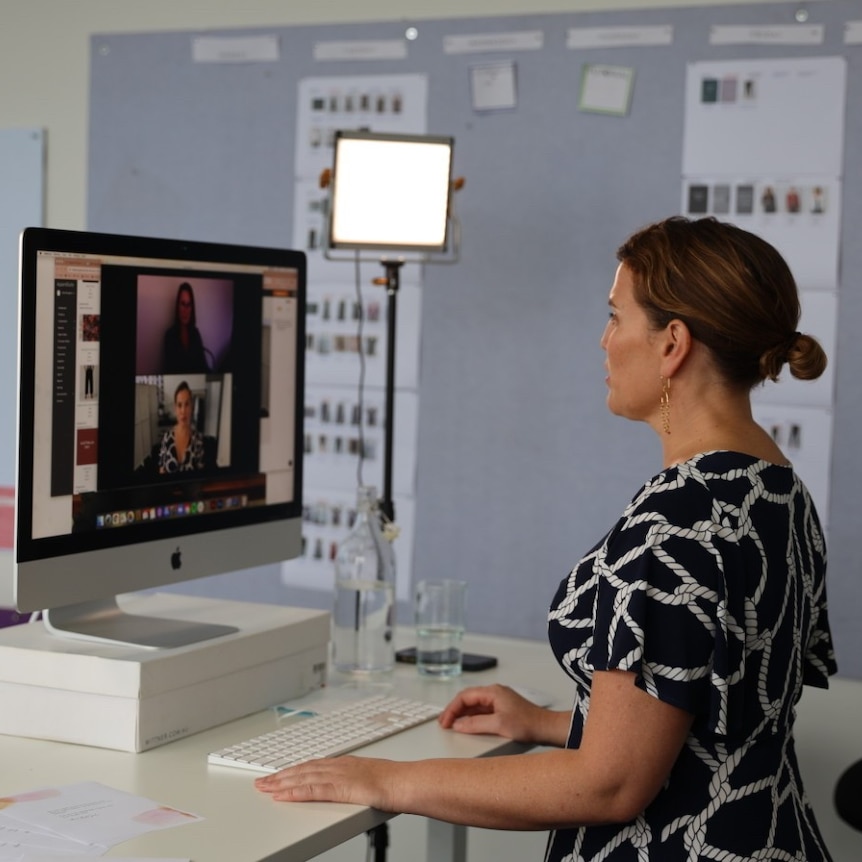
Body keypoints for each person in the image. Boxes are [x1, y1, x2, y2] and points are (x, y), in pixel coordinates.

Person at [254, 216, 836, 861]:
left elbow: (608, 785)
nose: (603, 339)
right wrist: (543, 723)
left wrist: (386, 779)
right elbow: (709, 723)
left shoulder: (673, 525)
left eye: (616, 317)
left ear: (672, 344)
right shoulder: (774, 487)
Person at [158, 381, 205, 473]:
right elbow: (161, 471)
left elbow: (200, 477)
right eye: (179, 405)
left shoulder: (198, 440)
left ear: (192, 407)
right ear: (175, 408)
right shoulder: (166, 438)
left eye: (187, 404)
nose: (183, 410)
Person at [163, 282, 209, 373]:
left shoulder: (196, 334)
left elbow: (204, 367)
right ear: (177, 306)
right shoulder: (169, 336)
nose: (186, 310)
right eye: (183, 304)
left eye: (189, 305)